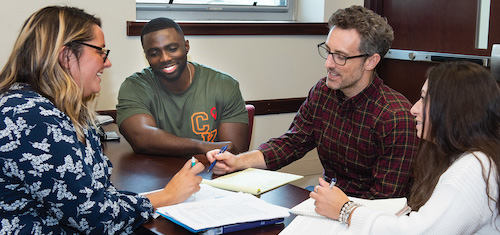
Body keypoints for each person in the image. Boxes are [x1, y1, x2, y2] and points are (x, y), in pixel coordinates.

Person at [0, 6, 203, 234]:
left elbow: (98, 195)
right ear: (67, 56)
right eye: (100, 51)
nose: (107, 63)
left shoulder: (70, 112)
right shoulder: (30, 116)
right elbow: (93, 217)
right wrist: (166, 196)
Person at [207, 5, 418, 199]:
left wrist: (339, 210)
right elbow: (292, 143)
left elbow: (386, 199)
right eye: (328, 52)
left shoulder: (396, 117)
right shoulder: (323, 92)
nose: (328, 64)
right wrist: (237, 162)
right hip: (326, 198)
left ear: (371, 61)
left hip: (366, 215)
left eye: (340, 57)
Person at [310, 61, 500, 233]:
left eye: (425, 99)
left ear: (455, 109)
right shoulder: (469, 157)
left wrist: (346, 211)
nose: (413, 109)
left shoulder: (472, 169)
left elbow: (417, 232)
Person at [116, 17, 249, 157]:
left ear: (186, 46)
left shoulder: (224, 85)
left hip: (210, 176)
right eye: (154, 53)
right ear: (146, 56)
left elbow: (232, 153)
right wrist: (202, 146)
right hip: (157, 175)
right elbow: (142, 139)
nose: (165, 58)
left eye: (172, 49)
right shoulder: (135, 87)